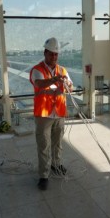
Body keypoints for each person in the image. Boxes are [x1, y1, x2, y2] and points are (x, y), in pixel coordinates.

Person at [29, 37, 73, 190]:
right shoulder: (37, 70)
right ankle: (44, 175)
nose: (54, 57)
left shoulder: (63, 70)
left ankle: (56, 165)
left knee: (57, 143)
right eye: (51, 54)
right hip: (43, 115)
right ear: (45, 53)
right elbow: (39, 84)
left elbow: (70, 87)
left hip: (59, 113)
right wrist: (54, 79)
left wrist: (67, 85)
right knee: (44, 145)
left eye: (56, 54)